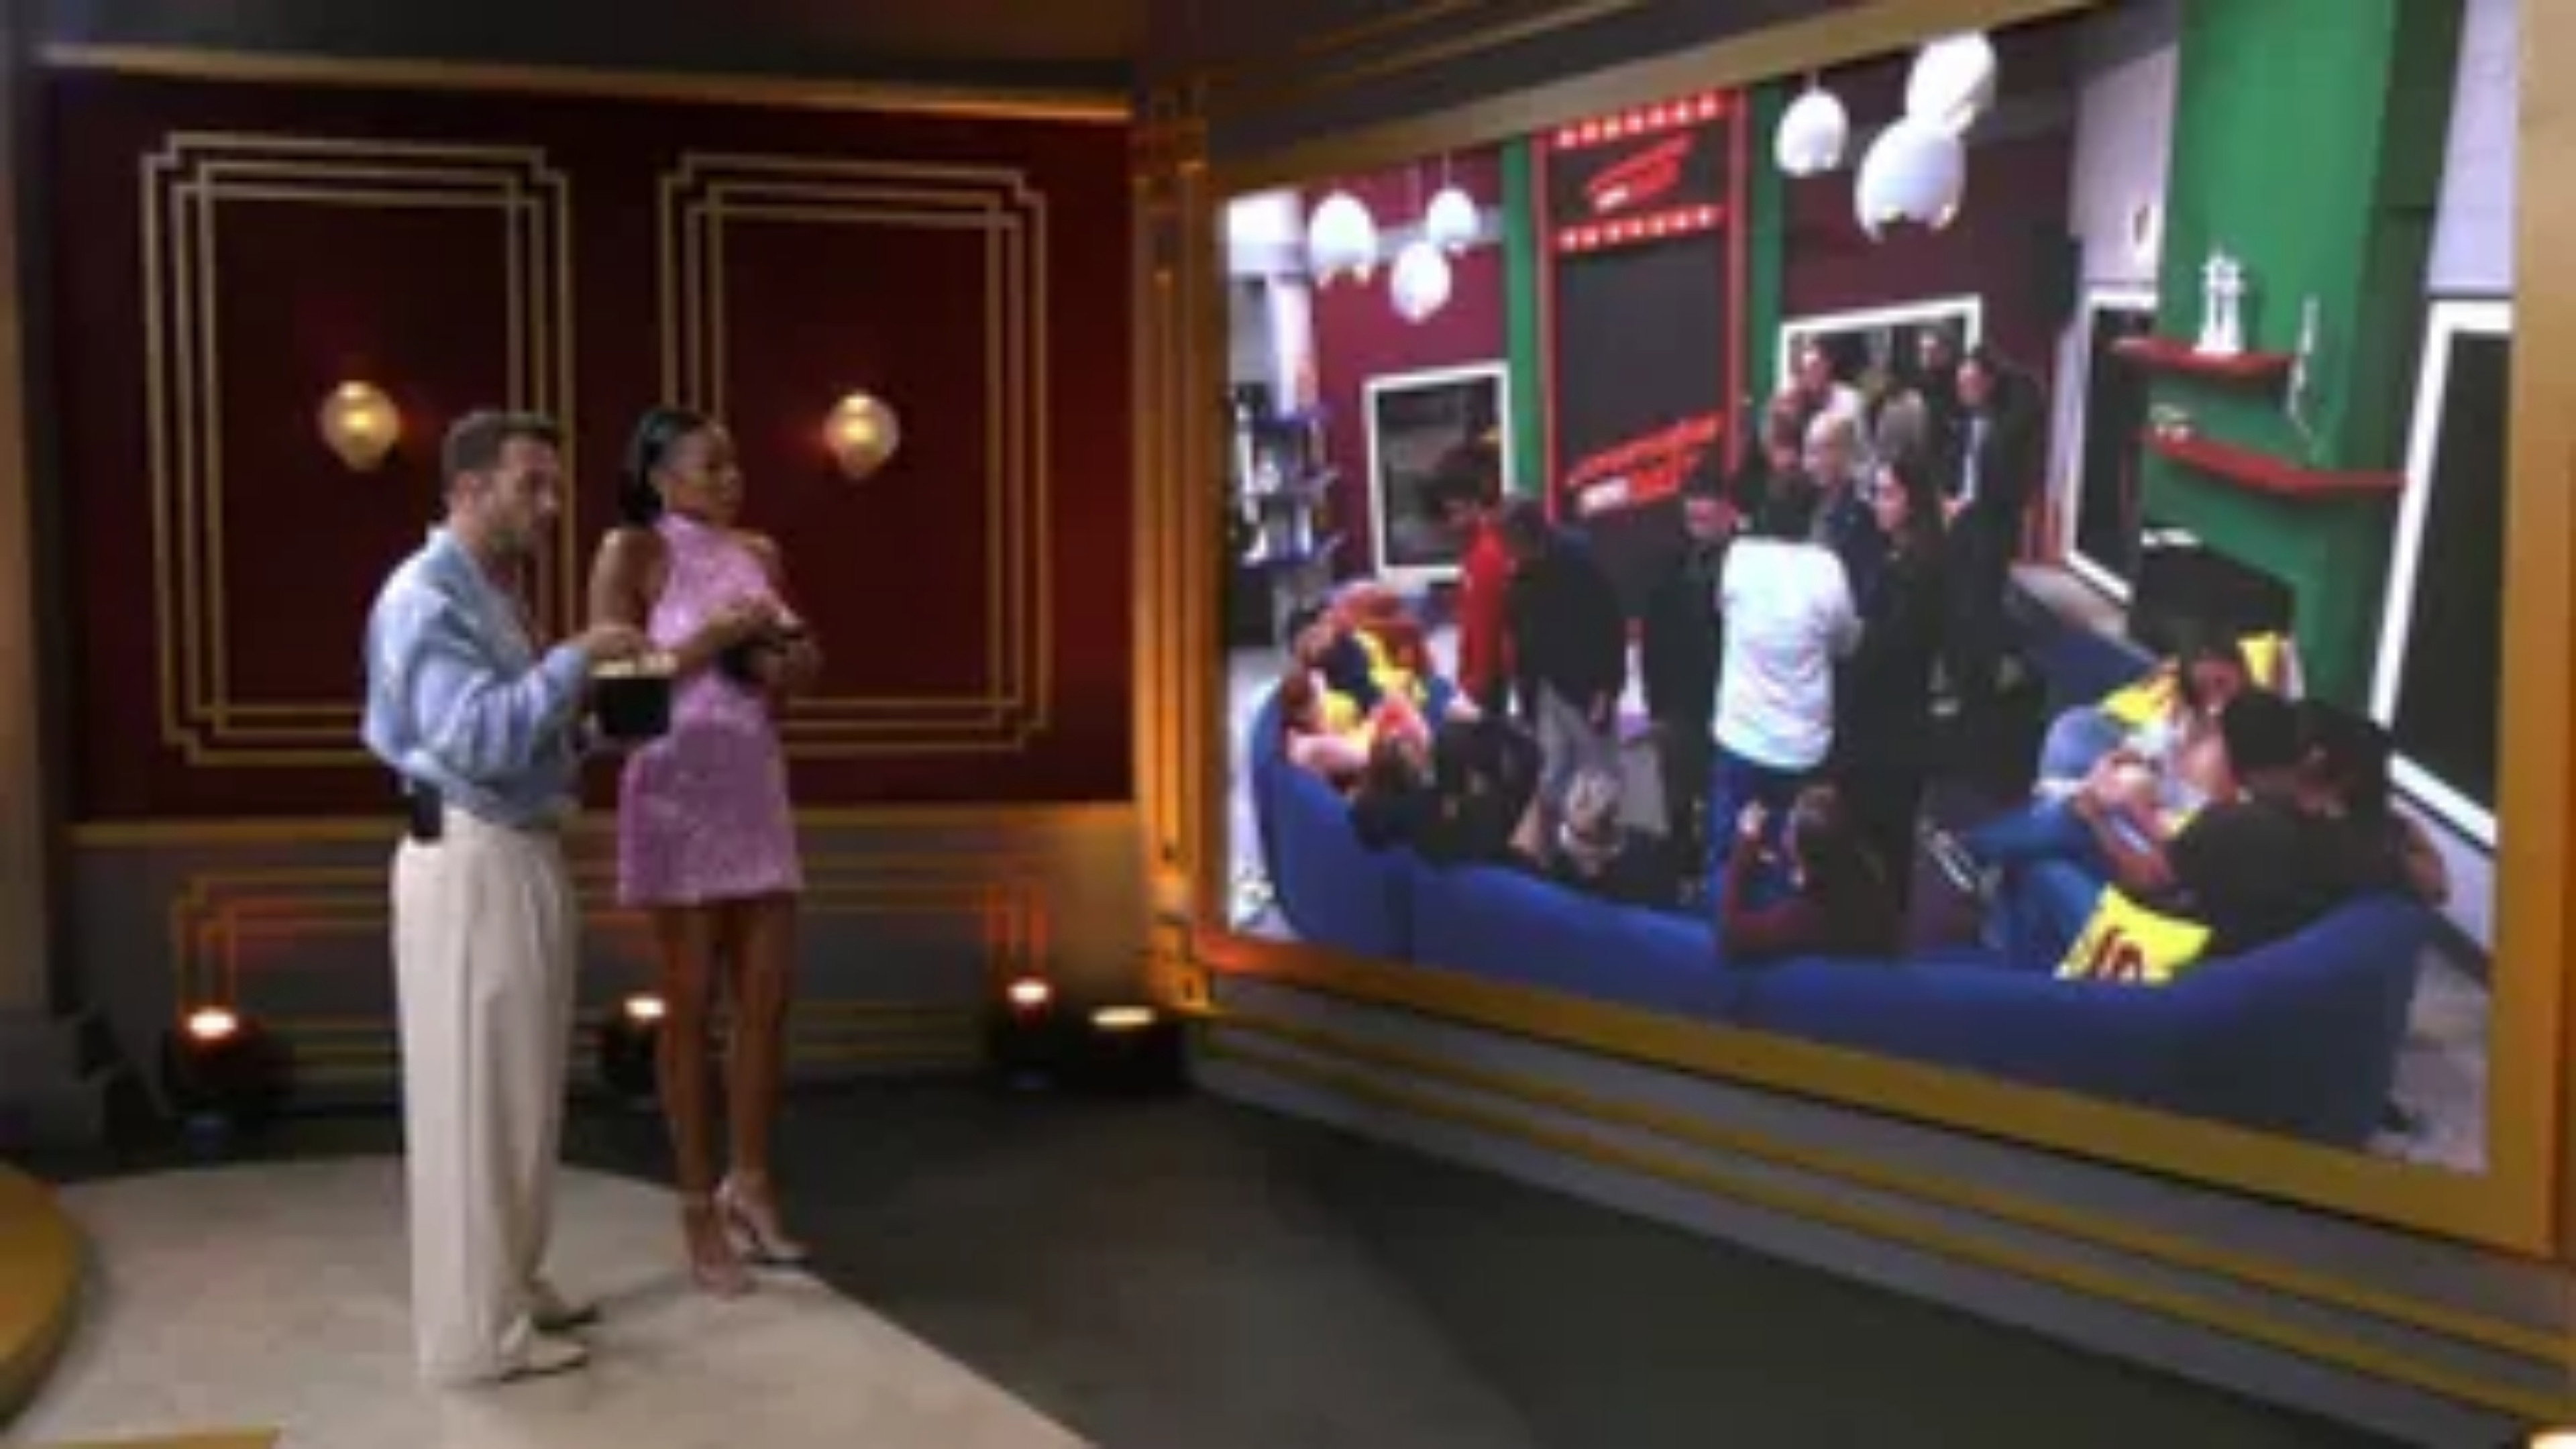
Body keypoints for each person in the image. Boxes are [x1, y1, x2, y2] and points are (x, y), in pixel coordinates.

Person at [362, 410, 649, 1385]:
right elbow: (478, 739)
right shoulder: (424, 597)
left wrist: (603, 721)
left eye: (554, 485)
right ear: (468, 489)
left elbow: (523, 740)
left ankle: (511, 1285)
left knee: (521, 1094)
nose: (552, 504)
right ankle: (475, 1338)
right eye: (532, 484)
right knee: (477, 1101)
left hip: (515, 847)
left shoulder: (490, 596)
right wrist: (575, 660)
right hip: (469, 857)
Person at [588, 407, 823, 1297]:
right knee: (688, 1005)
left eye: (734, 464)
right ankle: (695, 1208)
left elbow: (790, 676)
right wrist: (709, 641)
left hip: (753, 789)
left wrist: (791, 664)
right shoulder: (631, 553)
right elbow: (618, 701)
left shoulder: (759, 553)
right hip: (675, 795)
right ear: (660, 477)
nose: (731, 479)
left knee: (767, 998)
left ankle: (751, 1185)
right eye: (711, 466)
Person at [1709, 475, 1863, 885]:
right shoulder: (1828, 570)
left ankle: (1722, 919)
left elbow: (1722, 611)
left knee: (1729, 857)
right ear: (1812, 517)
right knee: (1796, 864)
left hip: (1741, 735)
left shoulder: (1739, 558)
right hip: (1801, 747)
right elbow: (1847, 642)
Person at [1834, 458, 1947, 914]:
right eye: (1876, 493)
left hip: (1892, 725)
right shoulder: (1891, 556)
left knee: (1887, 835)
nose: (1877, 504)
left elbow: (1893, 646)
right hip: (1880, 718)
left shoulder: (1920, 571)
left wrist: (1855, 642)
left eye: (1887, 494)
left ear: (1912, 501)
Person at [1499, 499, 1629, 820]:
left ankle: (1601, 841)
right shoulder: (1522, 573)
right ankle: (1553, 842)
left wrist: (1607, 690)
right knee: (1552, 774)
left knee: (1601, 779)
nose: (1509, 553)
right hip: (1546, 687)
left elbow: (1610, 628)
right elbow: (1521, 631)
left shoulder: (1580, 565)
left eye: (1513, 546)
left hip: (1586, 689)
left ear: (1531, 537)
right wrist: (1526, 695)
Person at [1941, 345, 2045, 727]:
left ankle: (1977, 692)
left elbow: (2009, 484)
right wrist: (1950, 499)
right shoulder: (1966, 421)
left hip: (1991, 524)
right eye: (1960, 383)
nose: (1963, 390)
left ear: (1989, 382)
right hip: (1961, 519)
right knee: (1957, 602)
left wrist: (1972, 504)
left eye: (1970, 382)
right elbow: (1955, 467)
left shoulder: (2009, 425)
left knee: (1981, 607)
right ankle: (1959, 678)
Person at [1640, 476, 1735, 879]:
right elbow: (1653, 638)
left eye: (1706, 519)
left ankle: (1717, 877)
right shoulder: (1669, 563)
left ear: (1728, 514)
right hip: (1678, 704)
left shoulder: (1747, 566)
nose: (1698, 528)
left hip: (1730, 704)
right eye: (1692, 519)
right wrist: (1656, 704)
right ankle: (1677, 872)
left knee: (1721, 800)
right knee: (1674, 796)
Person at [1719, 786, 1901, 964]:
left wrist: (1745, 844)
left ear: (1806, 861)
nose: (1785, 831)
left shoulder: (1802, 919)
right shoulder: (1869, 868)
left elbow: (1730, 937)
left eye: (1790, 828)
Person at [1425, 441, 1514, 716]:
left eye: (1453, 512)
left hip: (1490, 684)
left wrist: (1472, 690)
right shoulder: (1478, 550)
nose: (1449, 524)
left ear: (1474, 503)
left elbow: (1487, 629)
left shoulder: (1487, 555)